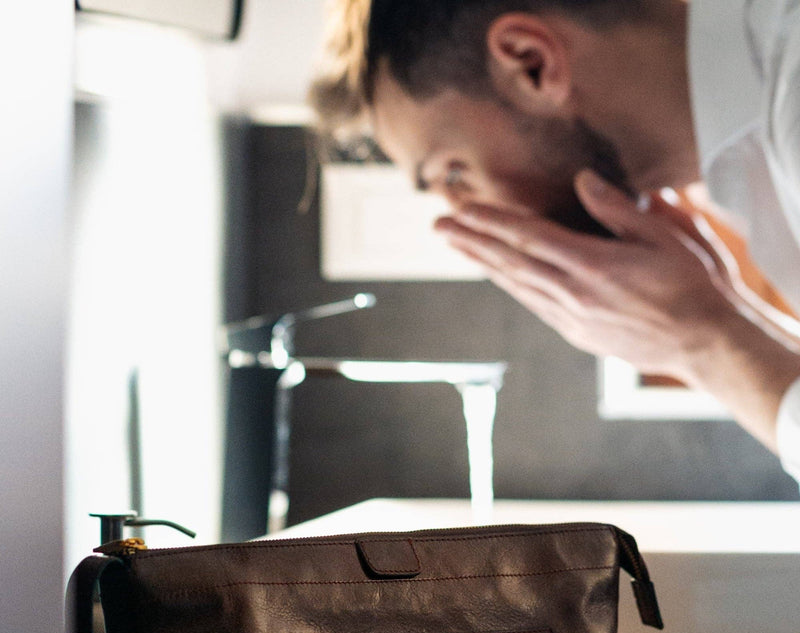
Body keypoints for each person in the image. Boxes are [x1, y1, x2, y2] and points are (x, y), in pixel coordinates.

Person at [310, 0, 800, 482]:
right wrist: (720, 317)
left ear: (531, 64)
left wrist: (708, 343)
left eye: (453, 173)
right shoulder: (756, 156)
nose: (472, 216)